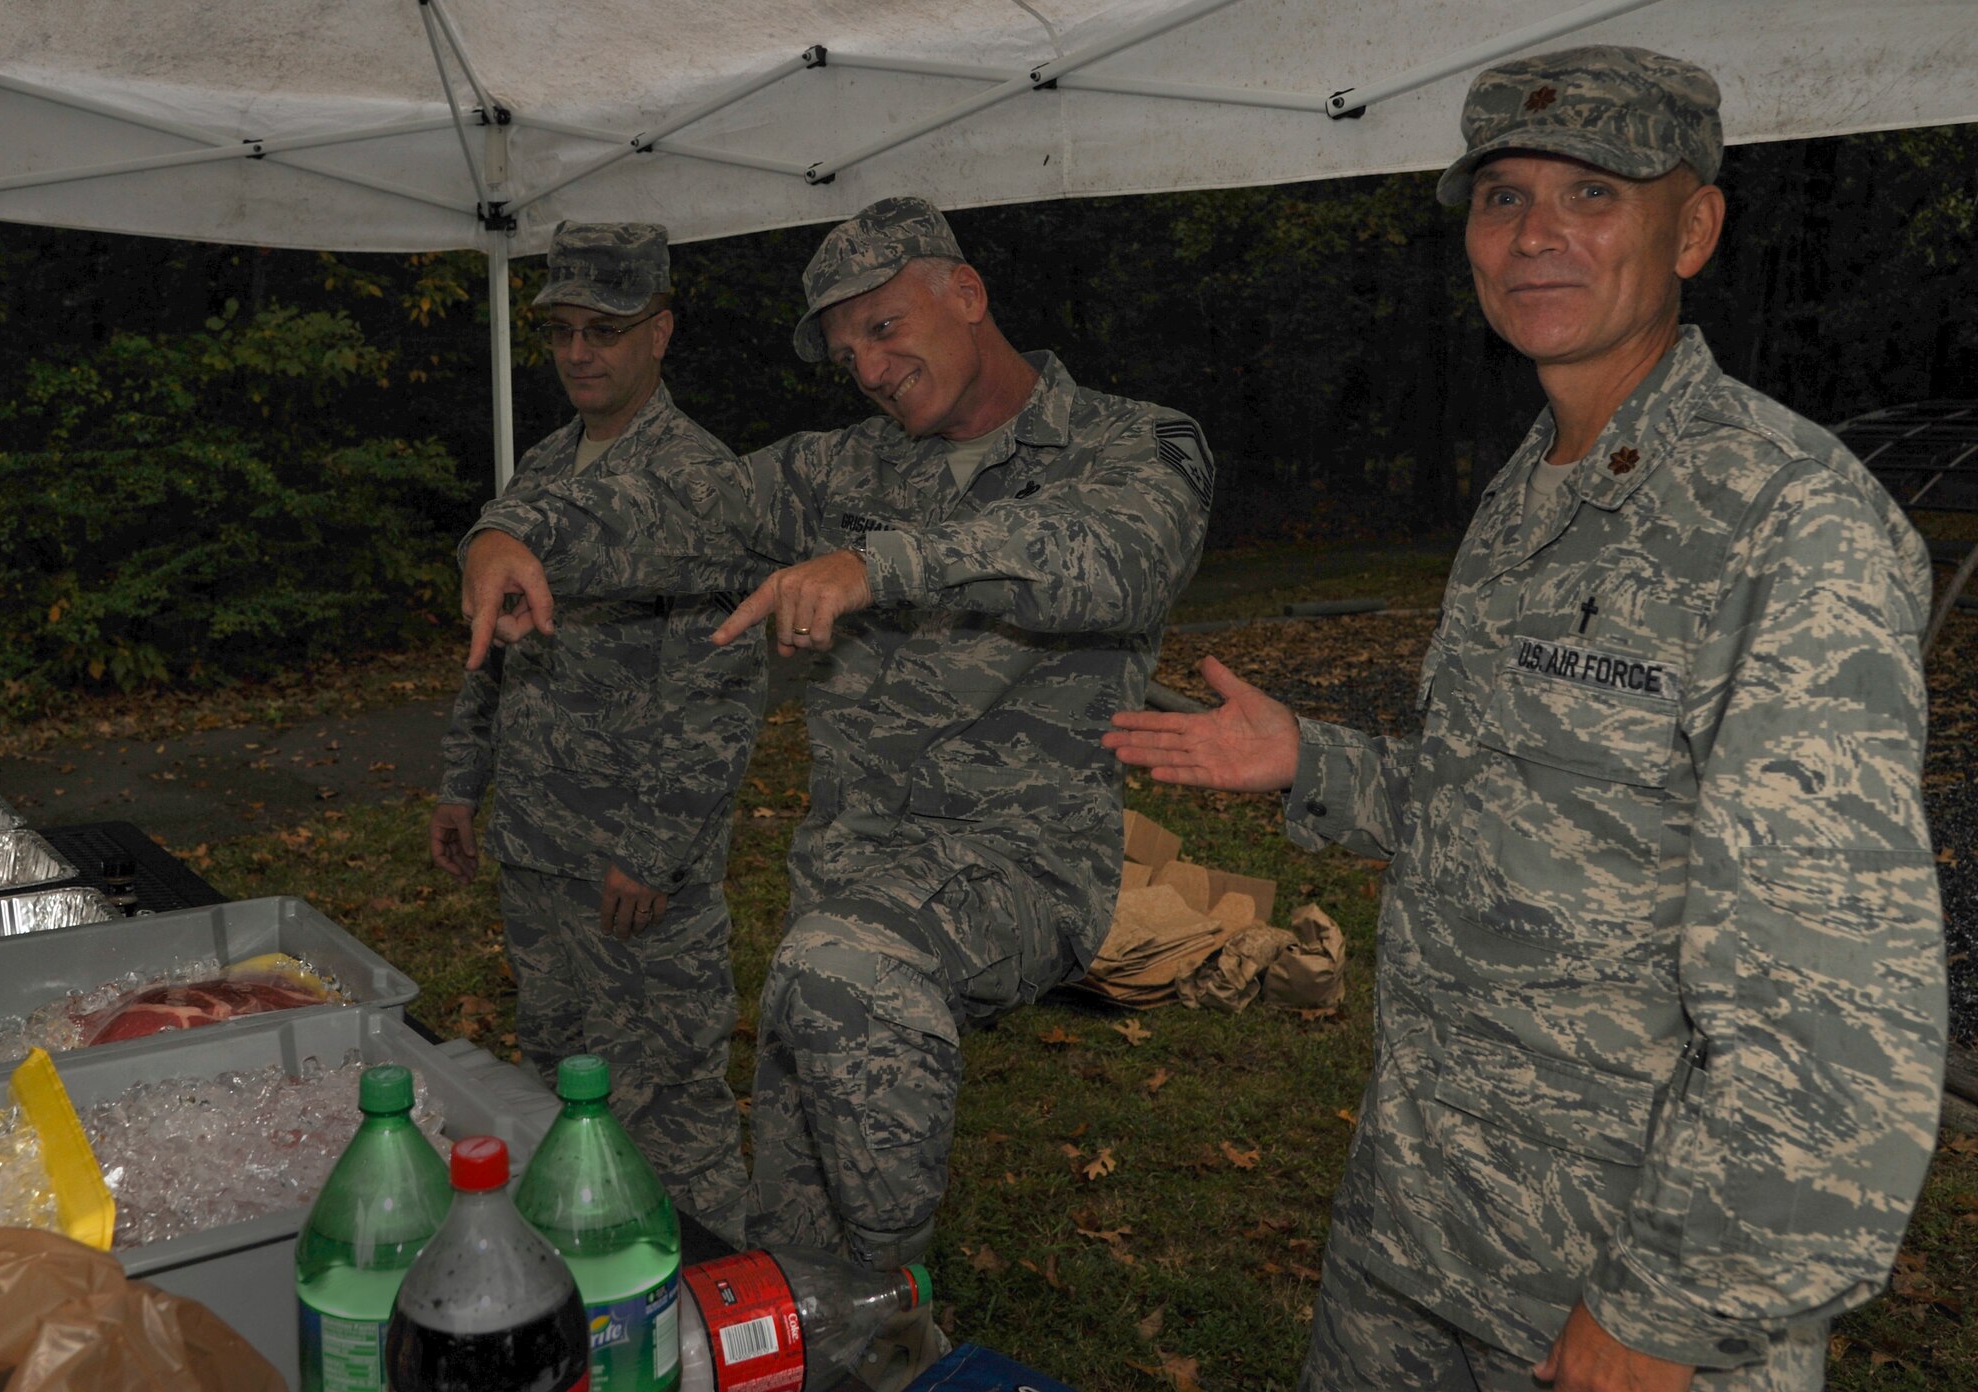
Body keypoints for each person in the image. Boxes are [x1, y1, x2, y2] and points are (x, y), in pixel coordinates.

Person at [1105, 46, 1945, 1392]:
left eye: (1594, 192)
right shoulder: (1528, 492)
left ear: (1697, 227)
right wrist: (1312, 761)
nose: (1536, 231)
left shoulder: (1790, 524)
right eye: (1502, 196)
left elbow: (1836, 1018)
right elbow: (1524, 808)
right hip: (1421, 1233)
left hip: (1616, 1285)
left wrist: (1666, 1314)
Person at [459, 194, 1214, 1269]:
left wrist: (879, 563)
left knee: (840, 989)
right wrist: (501, 534)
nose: (866, 366)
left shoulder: (1131, 440)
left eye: (883, 326)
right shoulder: (839, 470)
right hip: (843, 885)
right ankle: (827, 1323)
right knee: (792, 1218)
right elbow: (669, 506)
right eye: (844, 348)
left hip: (1018, 868)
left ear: (965, 294)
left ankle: (890, 1291)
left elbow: (1116, 558)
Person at [431, 221, 766, 1245]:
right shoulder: (545, 463)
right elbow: (494, 640)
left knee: (667, 1106)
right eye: (565, 331)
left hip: (631, 875)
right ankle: (591, 1272)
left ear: (658, 333)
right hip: (536, 850)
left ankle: (725, 1302)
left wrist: (653, 851)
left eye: (607, 331)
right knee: (556, 1089)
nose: (580, 352)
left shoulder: (701, 480)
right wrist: (460, 780)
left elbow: (718, 697)